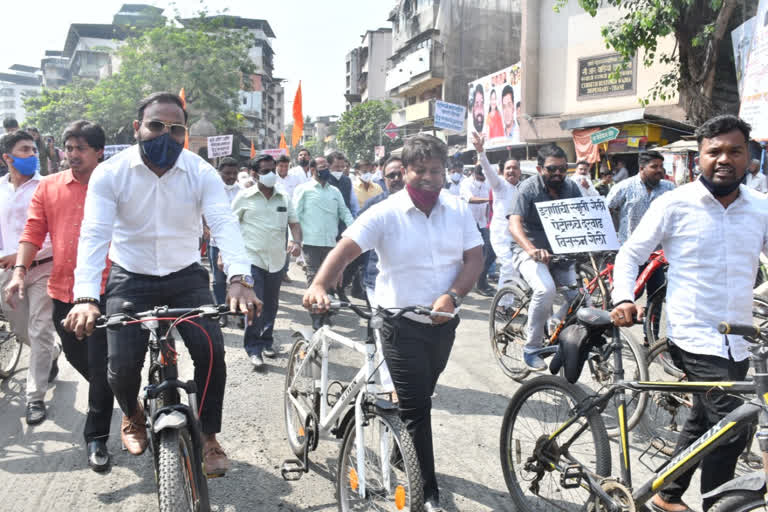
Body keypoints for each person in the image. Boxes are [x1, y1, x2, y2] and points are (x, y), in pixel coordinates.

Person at [63, 92, 261, 477]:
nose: (165, 136)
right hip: (129, 278)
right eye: (156, 126)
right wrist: (86, 297)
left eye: (176, 130)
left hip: (185, 277)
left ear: (184, 135)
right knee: (119, 366)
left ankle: (208, 437)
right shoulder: (111, 172)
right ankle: (134, 414)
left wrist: (240, 278)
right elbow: (95, 235)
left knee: (210, 350)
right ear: (138, 128)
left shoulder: (200, 171)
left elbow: (223, 224)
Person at [303, 134, 483, 512]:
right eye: (421, 170)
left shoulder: (458, 208)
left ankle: (406, 454)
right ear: (405, 171)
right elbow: (345, 249)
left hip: (444, 322)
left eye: (436, 170)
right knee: (417, 408)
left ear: (446, 171)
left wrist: (453, 296)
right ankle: (428, 495)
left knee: (421, 395)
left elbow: (474, 258)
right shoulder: (385, 212)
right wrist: (320, 282)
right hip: (397, 323)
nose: (429, 178)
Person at [610, 115, 766, 512]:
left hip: (740, 339)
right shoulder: (673, 203)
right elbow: (631, 253)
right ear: (699, 158)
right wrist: (624, 298)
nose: (724, 159)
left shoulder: (761, 208)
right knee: (732, 426)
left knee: (704, 419)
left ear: (749, 156)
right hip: (693, 335)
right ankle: (719, 506)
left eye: (734, 150)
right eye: (714, 151)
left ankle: (666, 494)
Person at [4, 120, 115, 471]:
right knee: (80, 358)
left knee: (99, 365)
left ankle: (96, 436)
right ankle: (121, 392)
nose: (73, 155)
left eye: (81, 148)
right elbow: (34, 229)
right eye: (69, 148)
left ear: (98, 151)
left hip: (108, 289)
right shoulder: (50, 186)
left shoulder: (114, 184)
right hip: (63, 289)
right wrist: (20, 270)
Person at [0, 130, 61, 426]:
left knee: (38, 330)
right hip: (9, 274)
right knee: (22, 331)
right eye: (25, 150)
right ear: (7, 158)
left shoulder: (47, 186)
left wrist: (21, 256)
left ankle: (34, 398)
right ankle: (54, 351)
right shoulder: (0, 189)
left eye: (34, 149)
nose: (33, 155)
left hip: (43, 267)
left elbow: (55, 233)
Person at [509, 144, 583, 370]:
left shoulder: (571, 187)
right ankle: (531, 349)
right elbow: (514, 224)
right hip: (529, 253)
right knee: (545, 290)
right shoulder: (527, 189)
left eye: (563, 169)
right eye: (552, 169)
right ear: (540, 169)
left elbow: (584, 216)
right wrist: (531, 249)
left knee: (581, 299)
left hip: (561, 254)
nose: (558, 174)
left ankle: (552, 321)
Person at [232, 154, 302, 369]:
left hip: (277, 260)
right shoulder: (244, 197)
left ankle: (266, 341)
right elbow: (230, 226)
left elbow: (294, 224)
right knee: (255, 303)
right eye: (265, 171)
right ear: (254, 173)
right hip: (252, 259)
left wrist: (296, 241)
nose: (271, 174)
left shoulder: (284, 197)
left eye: (273, 169)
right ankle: (253, 348)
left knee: (271, 304)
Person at [292, 155, 354, 288]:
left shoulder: (335, 191)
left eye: (327, 166)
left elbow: (344, 212)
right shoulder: (303, 190)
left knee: (331, 276)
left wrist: (354, 229)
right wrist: (294, 241)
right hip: (311, 242)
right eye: (322, 167)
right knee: (314, 275)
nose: (326, 169)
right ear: (313, 170)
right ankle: (314, 307)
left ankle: (328, 306)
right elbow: (294, 217)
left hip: (331, 241)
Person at [472, 132, 521, 291]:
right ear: (503, 171)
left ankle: (510, 301)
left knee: (519, 268)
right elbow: (487, 170)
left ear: (520, 171)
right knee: (508, 266)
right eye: (508, 168)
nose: (511, 171)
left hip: (517, 235)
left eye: (515, 168)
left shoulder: (522, 189)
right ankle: (502, 305)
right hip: (500, 234)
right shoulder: (499, 185)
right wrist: (481, 151)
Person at [607, 150, 676, 245]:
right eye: (654, 167)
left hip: (660, 250)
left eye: (661, 166)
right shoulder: (623, 187)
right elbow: (606, 211)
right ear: (641, 168)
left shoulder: (669, 187)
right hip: (630, 247)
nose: (659, 170)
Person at [207, 156, 241, 327]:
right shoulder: (212, 191)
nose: (231, 177)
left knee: (239, 278)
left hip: (237, 244)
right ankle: (222, 311)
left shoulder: (242, 192)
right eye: (227, 173)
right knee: (219, 280)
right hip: (216, 243)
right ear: (220, 172)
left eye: (234, 173)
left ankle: (240, 312)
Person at [460, 164, 494, 296]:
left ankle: (481, 282)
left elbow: (488, 205)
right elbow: (471, 199)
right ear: (475, 175)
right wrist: (490, 200)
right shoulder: (466, 184)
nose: (483, 181)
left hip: (482, 222)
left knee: (487, 252)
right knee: (467, 254)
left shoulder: (486, 183)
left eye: (484, 178)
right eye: (480, 178)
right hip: (468, 223)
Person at [326, 151, 359, 217]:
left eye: (342, 166)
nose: (340, 169)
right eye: (336, 166)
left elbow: (353, 203)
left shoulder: (347, 180)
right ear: (328, 166)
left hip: (345, 222)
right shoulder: (323, 181)